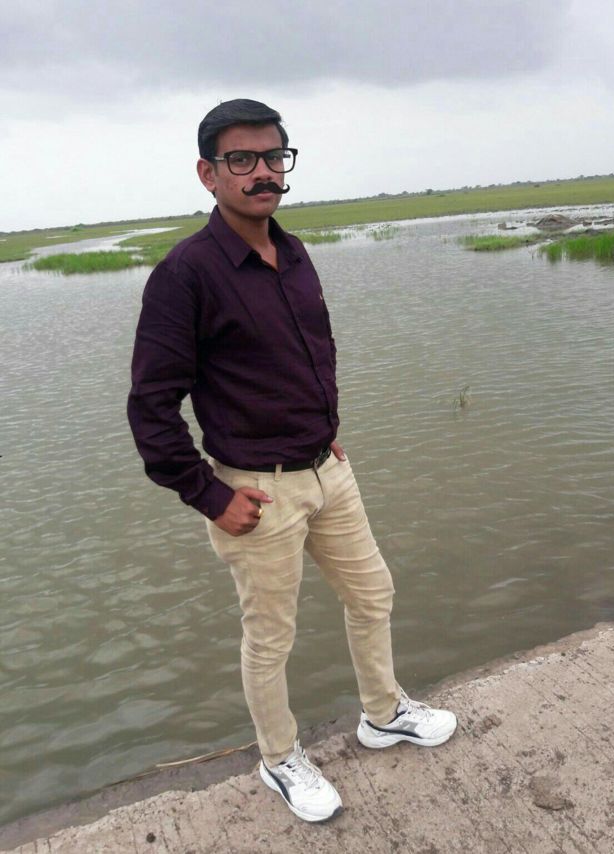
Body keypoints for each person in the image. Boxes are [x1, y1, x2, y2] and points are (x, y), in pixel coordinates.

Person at [127, 98, 457, 824]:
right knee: (271, 636)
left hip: (326, 470)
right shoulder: (186, 275)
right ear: (208, 174)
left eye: (274, 156)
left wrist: (325, 426)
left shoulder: (295, 251)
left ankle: (382, 713)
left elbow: (313, 349)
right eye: (242, 160)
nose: (263, 172)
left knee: (373, 593)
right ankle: (280, 758)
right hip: (255, 491)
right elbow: (150, 406)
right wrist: (209, 495)